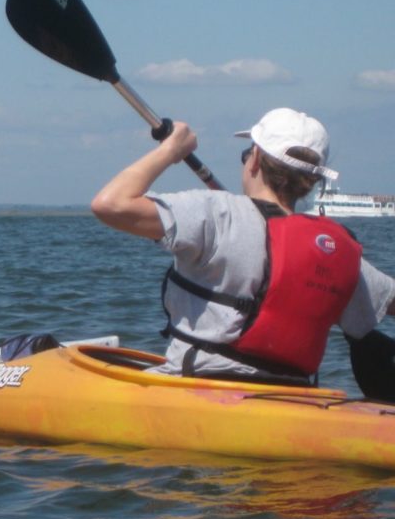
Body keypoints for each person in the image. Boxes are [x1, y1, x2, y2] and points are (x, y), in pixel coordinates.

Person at [90, 107, 395, 383]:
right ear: (312, 180)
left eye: (247, 153)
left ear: (256, 160)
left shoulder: (216, 213)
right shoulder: (335, 250)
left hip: (198, 386)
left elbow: (110, 204)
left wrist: (172, 150)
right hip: (294, 395)